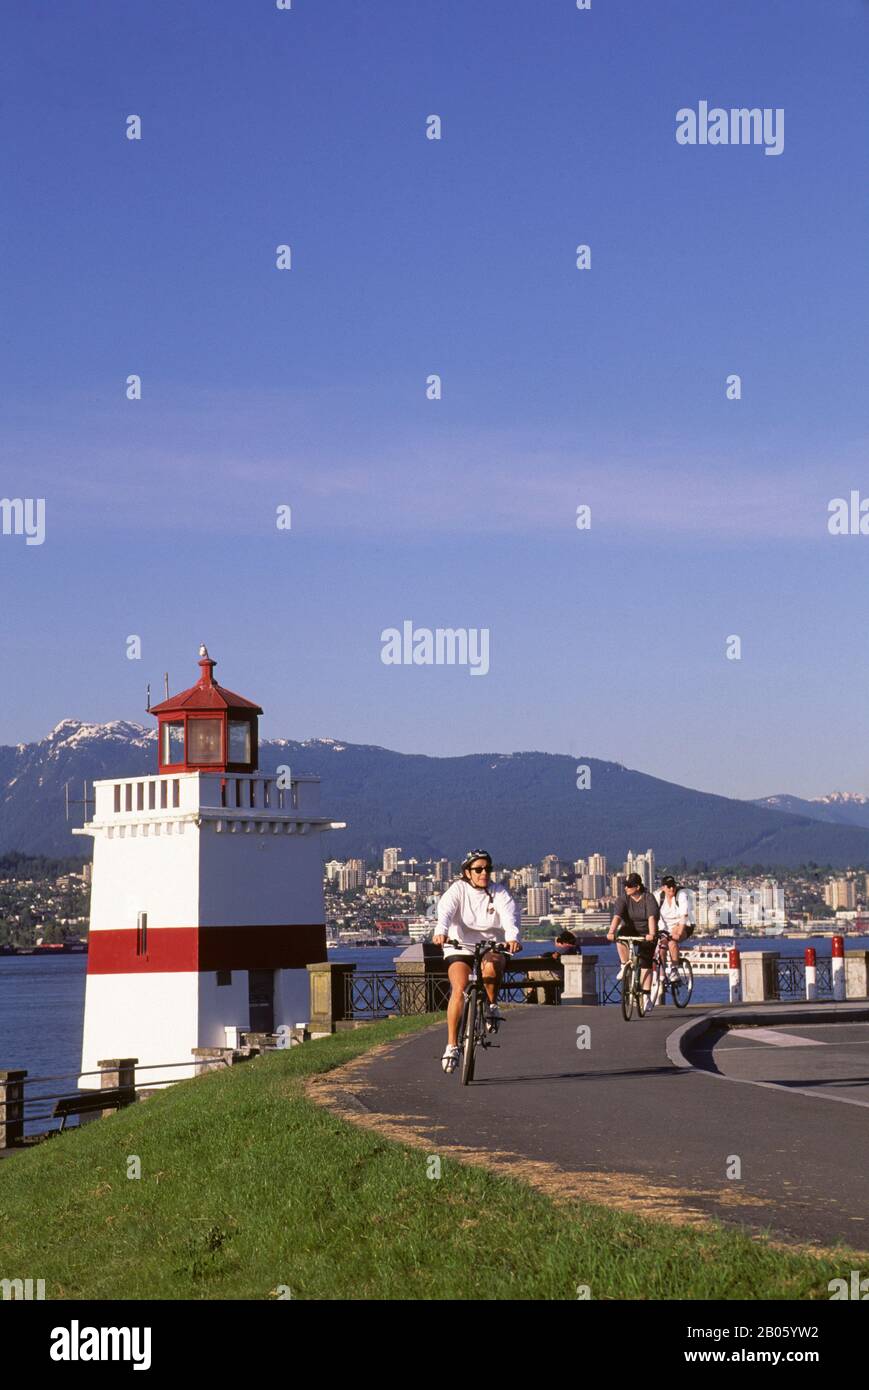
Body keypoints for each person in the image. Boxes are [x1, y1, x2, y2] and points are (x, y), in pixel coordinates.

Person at [432, 850, 521, 1073]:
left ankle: (491, 1005)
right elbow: (444, 912)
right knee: (459, 987)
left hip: (492, 944)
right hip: (459, 943)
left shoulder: (498, 892)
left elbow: (510, 916)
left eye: (487, 869)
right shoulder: (458, 890)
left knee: (491, 968)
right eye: (478, 869)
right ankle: (452, 1044)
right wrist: (440, 932)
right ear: (467, 872)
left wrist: (512, 937)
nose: (484, 873)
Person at [607, 872, 659, 1007]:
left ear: (638, 887)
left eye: (629, 886)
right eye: (625, 885)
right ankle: (625, 965)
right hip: (631, 930)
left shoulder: (649, 898)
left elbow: (652, 918)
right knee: (621, 935)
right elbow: (617, 917)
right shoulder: (623, 899)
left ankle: (646, 996)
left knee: (645, 962)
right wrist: (611, 932)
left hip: (647, 932)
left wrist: (652, 934)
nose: (626, 888)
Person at [657, 875, 694, 978]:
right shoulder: (658, 897)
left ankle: (674, 969)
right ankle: (662, 972)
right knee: (662, 946)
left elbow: (684, 915)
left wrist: (679, 933)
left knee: (672, 940)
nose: (672, 889)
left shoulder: (680, 895)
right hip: (665, 927)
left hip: (683, 924)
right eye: (668, 887)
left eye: (673, 886)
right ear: (663, 888)